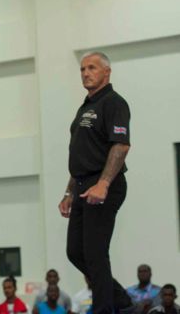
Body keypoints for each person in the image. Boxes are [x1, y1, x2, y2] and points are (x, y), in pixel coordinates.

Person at [58, 52, 133, 314]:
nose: (86, 73)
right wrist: (69, 191)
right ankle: (121, 299)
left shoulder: (113, 103)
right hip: (80, 185)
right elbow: (80, 155)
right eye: (82, 69)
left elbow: (121, 145)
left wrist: (103, 184)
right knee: (75, 252)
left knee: (95, 253)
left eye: (92, 68)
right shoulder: (85, 107)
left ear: (106, 72)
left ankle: (105, 309)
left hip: (104, 184)